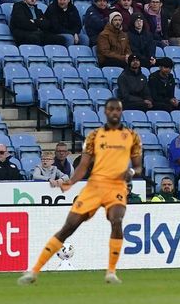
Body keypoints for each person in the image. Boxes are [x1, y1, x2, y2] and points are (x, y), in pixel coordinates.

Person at [20, 99, 142, 285]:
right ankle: (34, 271)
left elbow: (139, 167)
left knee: (116, 219)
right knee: (69, 227)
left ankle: (111, 271)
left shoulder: (132, 136)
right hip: (94, 186)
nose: (114, 112)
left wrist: (131, 172)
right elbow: (83, 166)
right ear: (105, 112)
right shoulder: (94, 136)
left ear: (121, 111)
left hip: (116, 187)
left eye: (118, 109)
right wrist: (70, 181)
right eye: (111, 109)